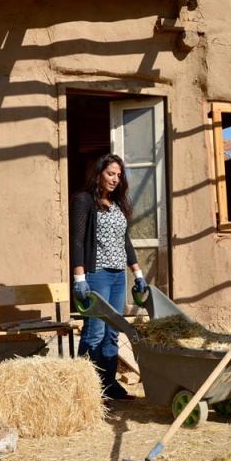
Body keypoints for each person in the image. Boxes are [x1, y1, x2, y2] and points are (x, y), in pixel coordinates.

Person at [70, 153, 148, 400]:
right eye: (110, 173)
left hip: (117, 277)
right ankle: (84, 388)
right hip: (97, 274)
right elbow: (77, 241)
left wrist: (137, 273)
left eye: (118, 175)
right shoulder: (83, 201)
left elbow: (124, 241)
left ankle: (108, 385)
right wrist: (79, 277)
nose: (115, 179)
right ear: (99, 173)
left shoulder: (118, 205)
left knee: (113, 332)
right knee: (95, 330)